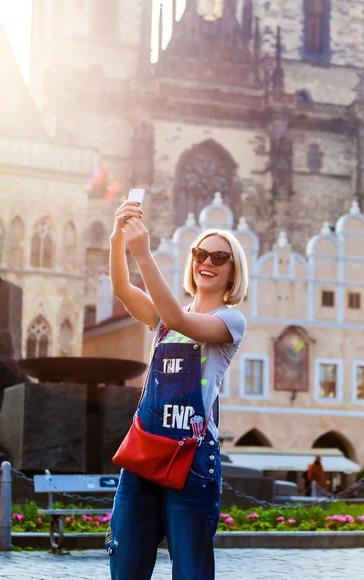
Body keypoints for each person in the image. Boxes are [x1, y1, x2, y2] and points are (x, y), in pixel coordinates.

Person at [105, 197, 248, 579]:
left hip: (193, 458)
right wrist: (119, 236)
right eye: (201, 253)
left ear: (233, 273)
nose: (208, 262)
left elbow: (177, 317)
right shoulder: (164, 316)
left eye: (220, 258)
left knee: (190, 571)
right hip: (145, 450)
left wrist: (145, 255)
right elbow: (121, 286)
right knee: (126, 564)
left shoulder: (230, 320)